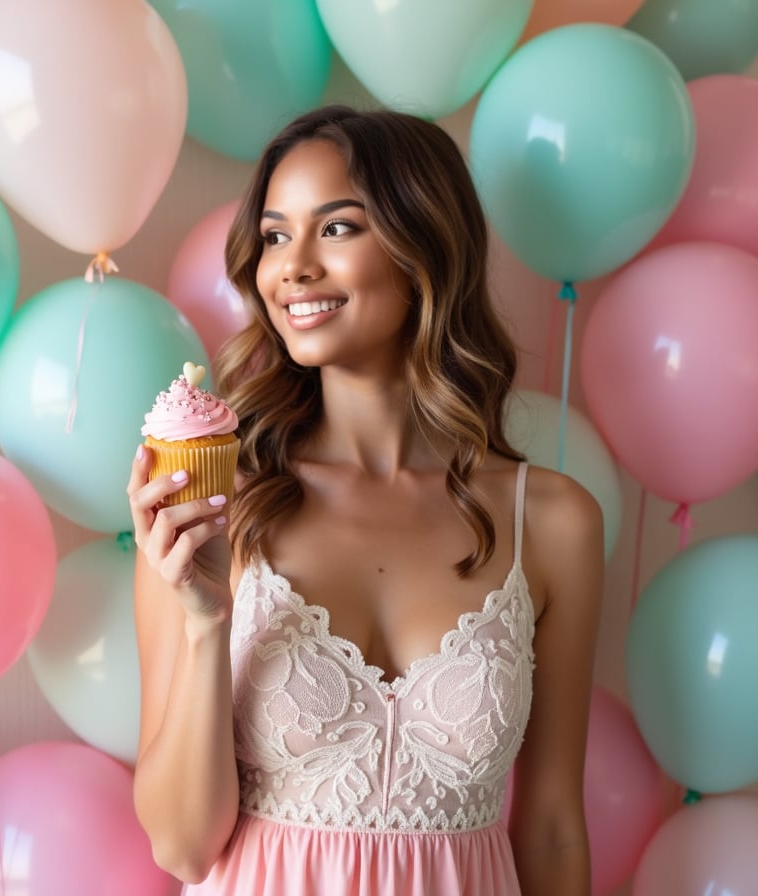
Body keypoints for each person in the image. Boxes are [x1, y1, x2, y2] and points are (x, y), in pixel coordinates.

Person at [127, 104, 604, 895]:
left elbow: (552, 827)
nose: (293, 267)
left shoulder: (552, 523)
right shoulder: (212, 504)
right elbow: (181, 847)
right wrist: (206, 619)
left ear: (426, 247)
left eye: (337, 229)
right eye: (276, 236)